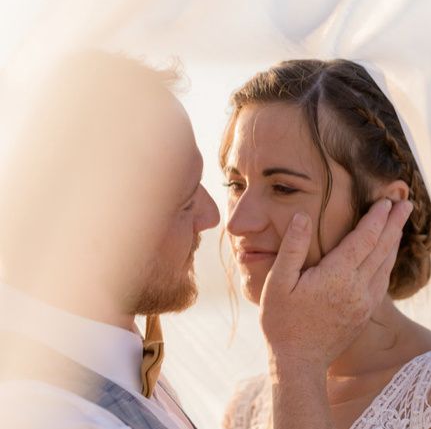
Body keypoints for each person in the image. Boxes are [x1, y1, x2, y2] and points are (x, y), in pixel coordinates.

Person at [0, 50, 409, 429]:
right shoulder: (48, 412)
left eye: (283, 187)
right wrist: (297, 362)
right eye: (183, 201)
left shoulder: (128, 373)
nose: (218, 218)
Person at [221, 59, 431, 429]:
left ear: (385, 208)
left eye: (283, 188)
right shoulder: (247, 407)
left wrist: (297, 365)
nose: (238, 223)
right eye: (236, 185)